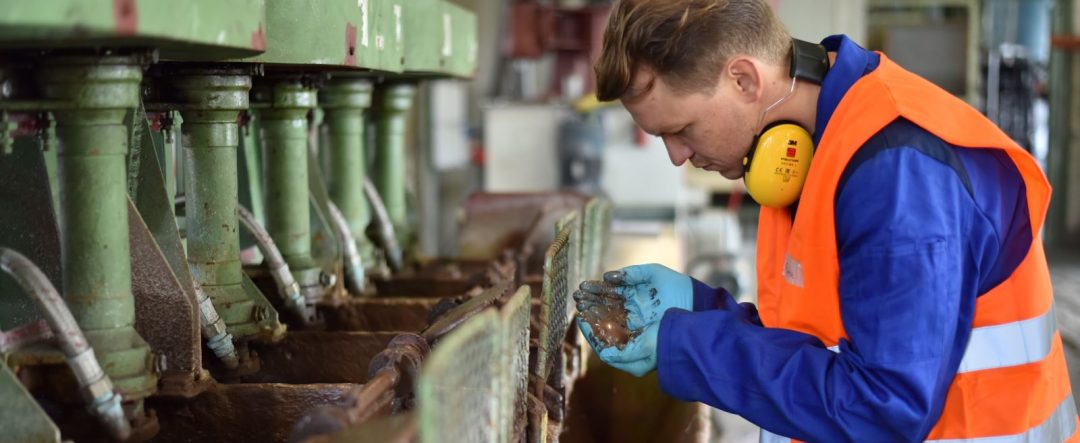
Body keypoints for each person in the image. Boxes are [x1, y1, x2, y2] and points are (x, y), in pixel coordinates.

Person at [574, 0, 1077, 441]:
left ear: (744, 79)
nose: (677, 157)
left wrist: (687, 344)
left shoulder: (897, 174)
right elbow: (824, 338)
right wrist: (702, 310)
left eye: (682, 129)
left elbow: (883, 407)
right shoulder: (814, 146)